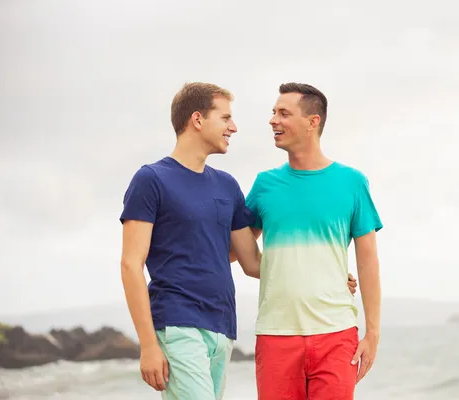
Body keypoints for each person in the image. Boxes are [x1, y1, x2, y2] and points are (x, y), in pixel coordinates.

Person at [119, 82, 358, 400]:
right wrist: (148, 345)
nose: (233, 127)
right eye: (225, 117)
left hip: (221, 328)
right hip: (176, 322)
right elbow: (130, 264)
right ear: (198, 120)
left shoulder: (227, 186)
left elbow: (253, 262)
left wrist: (325, 271)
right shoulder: (151, 180)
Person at [243, 82, 383, 399]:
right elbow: (234, 253)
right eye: (273, 112)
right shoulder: (265, 185)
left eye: (283, 113)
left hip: (336, 335)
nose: (273, 120)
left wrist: (372, 332)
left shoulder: (351, 182)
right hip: (276, 335)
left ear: (312, 121)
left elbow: (368, 262)